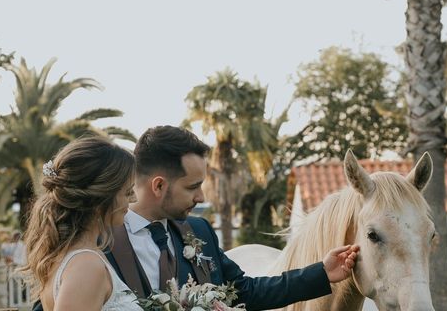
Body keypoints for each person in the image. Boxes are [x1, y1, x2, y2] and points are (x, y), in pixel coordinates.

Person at [105, 125, 359, 310]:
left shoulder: (199, 231)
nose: (201, 197)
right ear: (159, 186)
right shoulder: (99, 242)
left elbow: (245, 291)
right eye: (193, 187)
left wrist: (322, 273)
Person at [22, 136, 140, 311]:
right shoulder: (87, 266)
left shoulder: (75, 257)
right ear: (101, 198)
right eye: (128, 192)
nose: (134, 199)